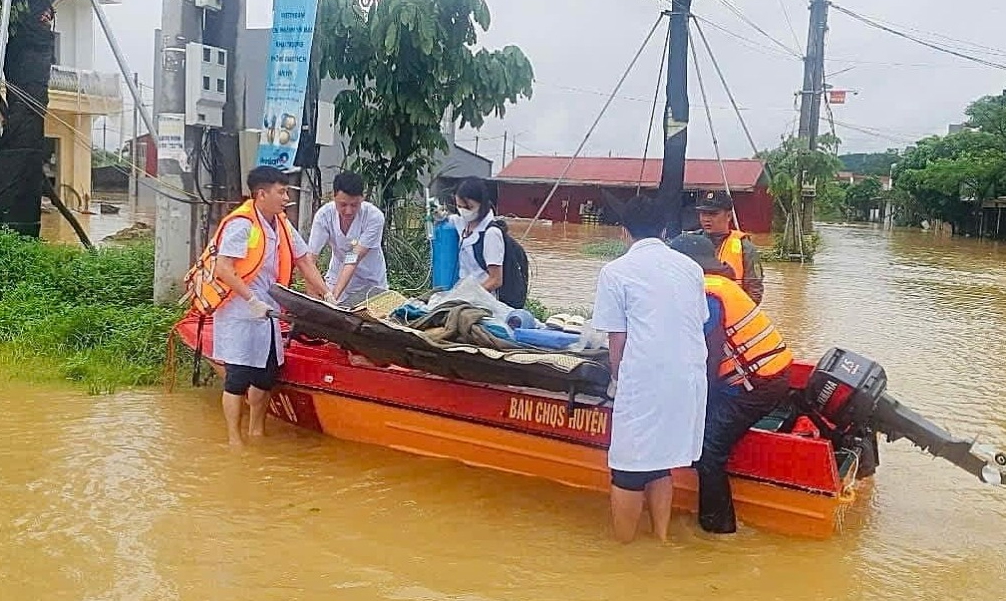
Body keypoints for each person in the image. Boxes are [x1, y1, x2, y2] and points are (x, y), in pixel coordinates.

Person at [591, 195, 709, 544]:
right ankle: (660, 541)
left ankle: (624, 551)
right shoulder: (692, 268)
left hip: (646, 378)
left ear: (625, 232)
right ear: (664, 230)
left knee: (627, 466)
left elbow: (617, 339)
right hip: (689, 377)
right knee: (661, 459)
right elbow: (698, 321)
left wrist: (616, 379)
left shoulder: (615, 272)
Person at [668, 233, 794, 534]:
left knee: (708, 449)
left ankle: (718, 531)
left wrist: (696, 401)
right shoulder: (722, 285)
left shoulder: (708, 294)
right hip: (772, 373)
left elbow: (708, 356)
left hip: (756, 384)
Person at [204, 166, 330, 446]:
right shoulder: (242, 224)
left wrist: (327, 294)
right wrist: (251, 300)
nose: (286, 197)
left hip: (268, 313)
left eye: (287, 192)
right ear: (262, 194)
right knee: (237, 378)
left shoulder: (282, 224)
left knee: (265, 375)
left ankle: (256, 433)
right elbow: (224, 269)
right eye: (281, 192)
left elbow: (304, 261)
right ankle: (235, 441)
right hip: (240, 311)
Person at [307, 171, 388, 305]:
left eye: (354, 205)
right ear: (333, 197)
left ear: (362, 198)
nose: (348, 211)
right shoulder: (324, 216)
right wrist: (315, 294)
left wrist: (334, 297)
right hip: (336, 275)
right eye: (343, 205)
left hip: (371, 281)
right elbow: (310, 259)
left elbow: (353, 258)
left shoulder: (374, 217)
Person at [695, 191, 764, 304]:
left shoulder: (745, 247)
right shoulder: (689, 243)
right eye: (703, 213)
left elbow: (755, 290)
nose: (706, 219)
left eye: (713, 214)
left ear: (728, 216)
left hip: (732, 310)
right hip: (697, 311)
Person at [449, 177, 504, 295]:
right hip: (461, 290)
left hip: (483, 298)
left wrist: (471, 295)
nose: (463, 211)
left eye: (468, 207)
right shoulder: (461, 222)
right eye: (459, 206)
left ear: (482, 204)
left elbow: (495, 280)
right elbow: (443, 218)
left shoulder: (491, 233)